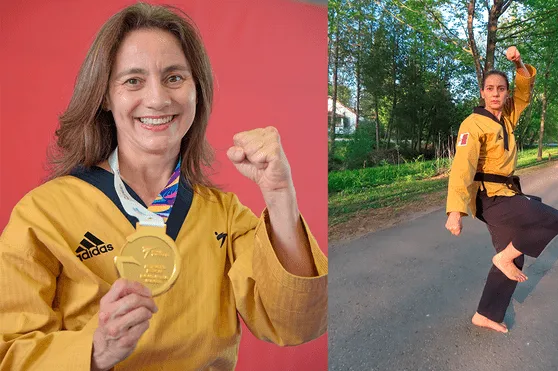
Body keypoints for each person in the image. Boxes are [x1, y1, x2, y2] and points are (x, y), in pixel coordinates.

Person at [0, 3, 327, 370]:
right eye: (133, 80)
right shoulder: (43, 214)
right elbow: (9, 353)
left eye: (174, 77)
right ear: (106, 96)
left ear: (196, 90)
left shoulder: (225, 214)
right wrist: (96, 350)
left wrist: (281, 195)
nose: (157, 99)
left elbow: (297, 322)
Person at [444, 46, 558, 333]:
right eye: (490, 88)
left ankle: (486, 313)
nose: (496, 93)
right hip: (490, 197)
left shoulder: (507, 116)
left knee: (515, 254)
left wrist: (519, 62)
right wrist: (455, 212)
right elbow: (462, 167)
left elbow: (525, 90)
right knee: (553, 220)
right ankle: (502, 258)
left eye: (501, 88)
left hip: (507, 194)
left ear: (506, 93)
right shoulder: (472, 124)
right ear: (483, 93)